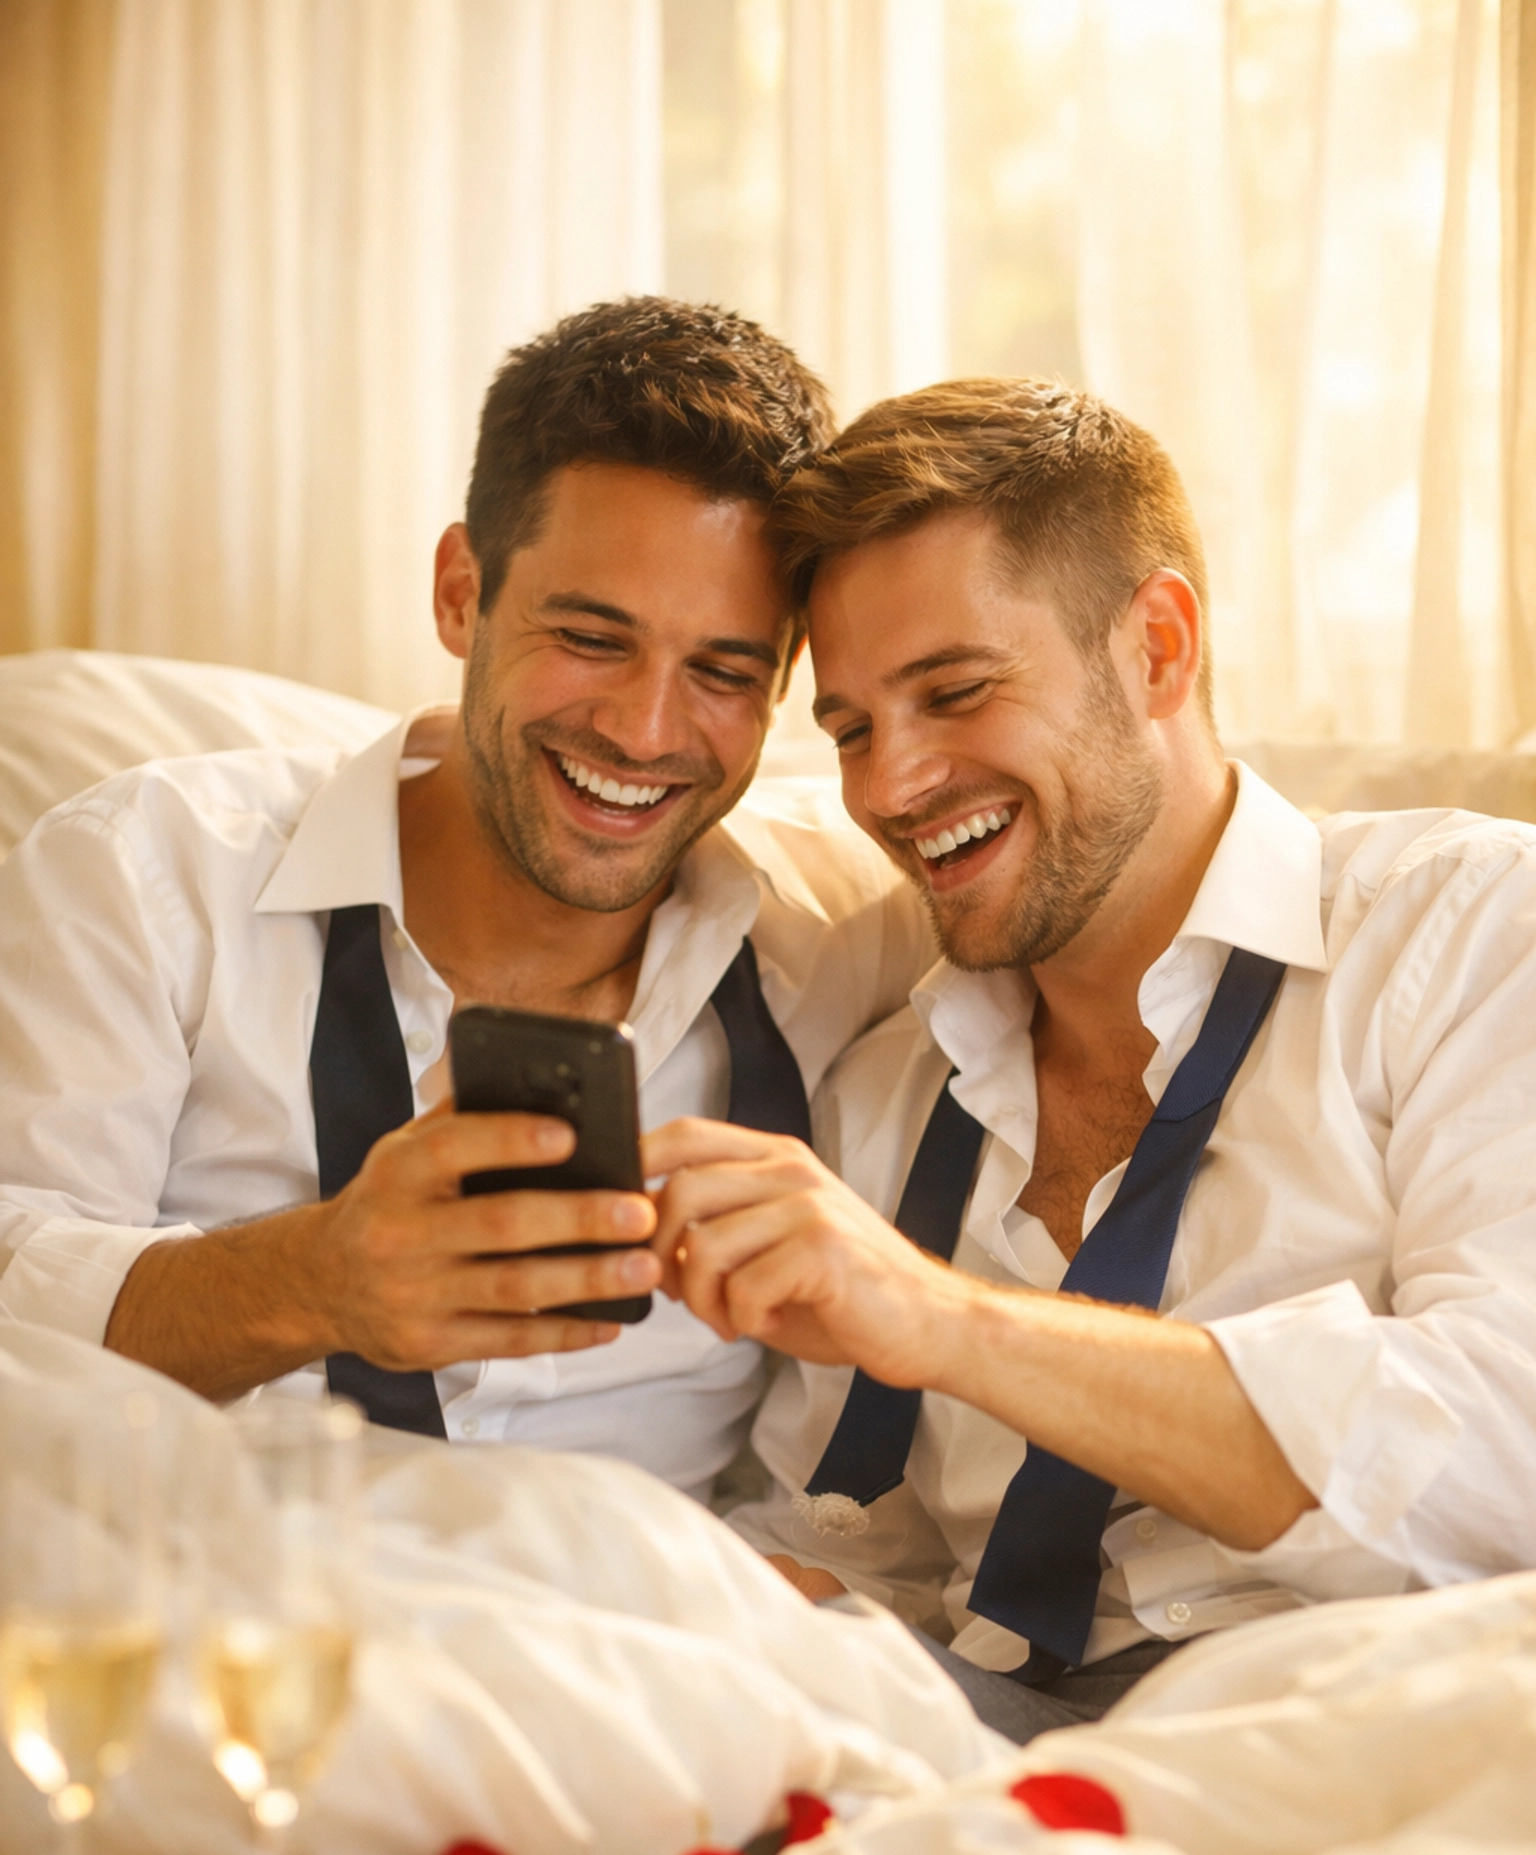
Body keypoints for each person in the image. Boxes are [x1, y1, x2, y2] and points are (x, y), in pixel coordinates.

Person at [641, 377, 1536, 1737]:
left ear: (1159, 649)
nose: (888, 789)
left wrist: (950, 1326)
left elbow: (1499, 1460)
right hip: (970, 1748)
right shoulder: (887, 1084)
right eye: (855, 730)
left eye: (954, 693)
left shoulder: (1470, 937)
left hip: (1377, 1724)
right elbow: (869, 1548)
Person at [0, 299, 931, 1501]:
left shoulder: (845, 929)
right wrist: (313, 1281)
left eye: (721, 671)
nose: (646, 733)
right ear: (460, 591)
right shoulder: (140, 875)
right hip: (248, 1629)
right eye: (592, 638)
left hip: (661, 1646)